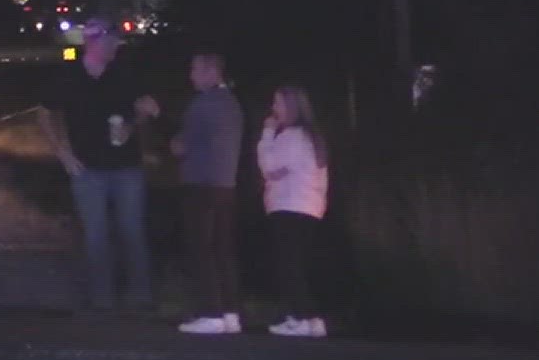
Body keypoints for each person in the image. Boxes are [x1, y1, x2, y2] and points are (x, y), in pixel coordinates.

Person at [37, 17, 162, 314]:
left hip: (126, 167)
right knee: (96, 234)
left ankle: (140, 297)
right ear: (92, 42)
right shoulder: (69, 77)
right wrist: (63, 153)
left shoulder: (125, 73)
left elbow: (148, 107)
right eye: (109, 40)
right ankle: (102, 300)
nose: (115, 46)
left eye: (116, 41)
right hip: (86, 169)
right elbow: (43, 112)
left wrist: (133, 125)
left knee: (132, 230)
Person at [173, 52, 246, 335]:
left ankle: (210, 311)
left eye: (195, 70)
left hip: (200, 185)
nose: (191, 76)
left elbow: (182, 145)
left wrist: (172, 139)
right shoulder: (232, 104)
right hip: (226, 185)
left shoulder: (201, 104)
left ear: (211, 71)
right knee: (223, 250)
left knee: (202, 249)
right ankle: (230, 311)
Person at [258, 84, 331, 338]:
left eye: (277, 103)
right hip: (310, 207)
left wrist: (267, 133)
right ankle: (309, 318)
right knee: (299, 264)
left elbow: (268, 166)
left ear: (290, 107)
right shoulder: (312, 138)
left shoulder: (291, 136)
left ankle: (300, 316)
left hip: (289, 204)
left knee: (290, 265)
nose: (273, 108)